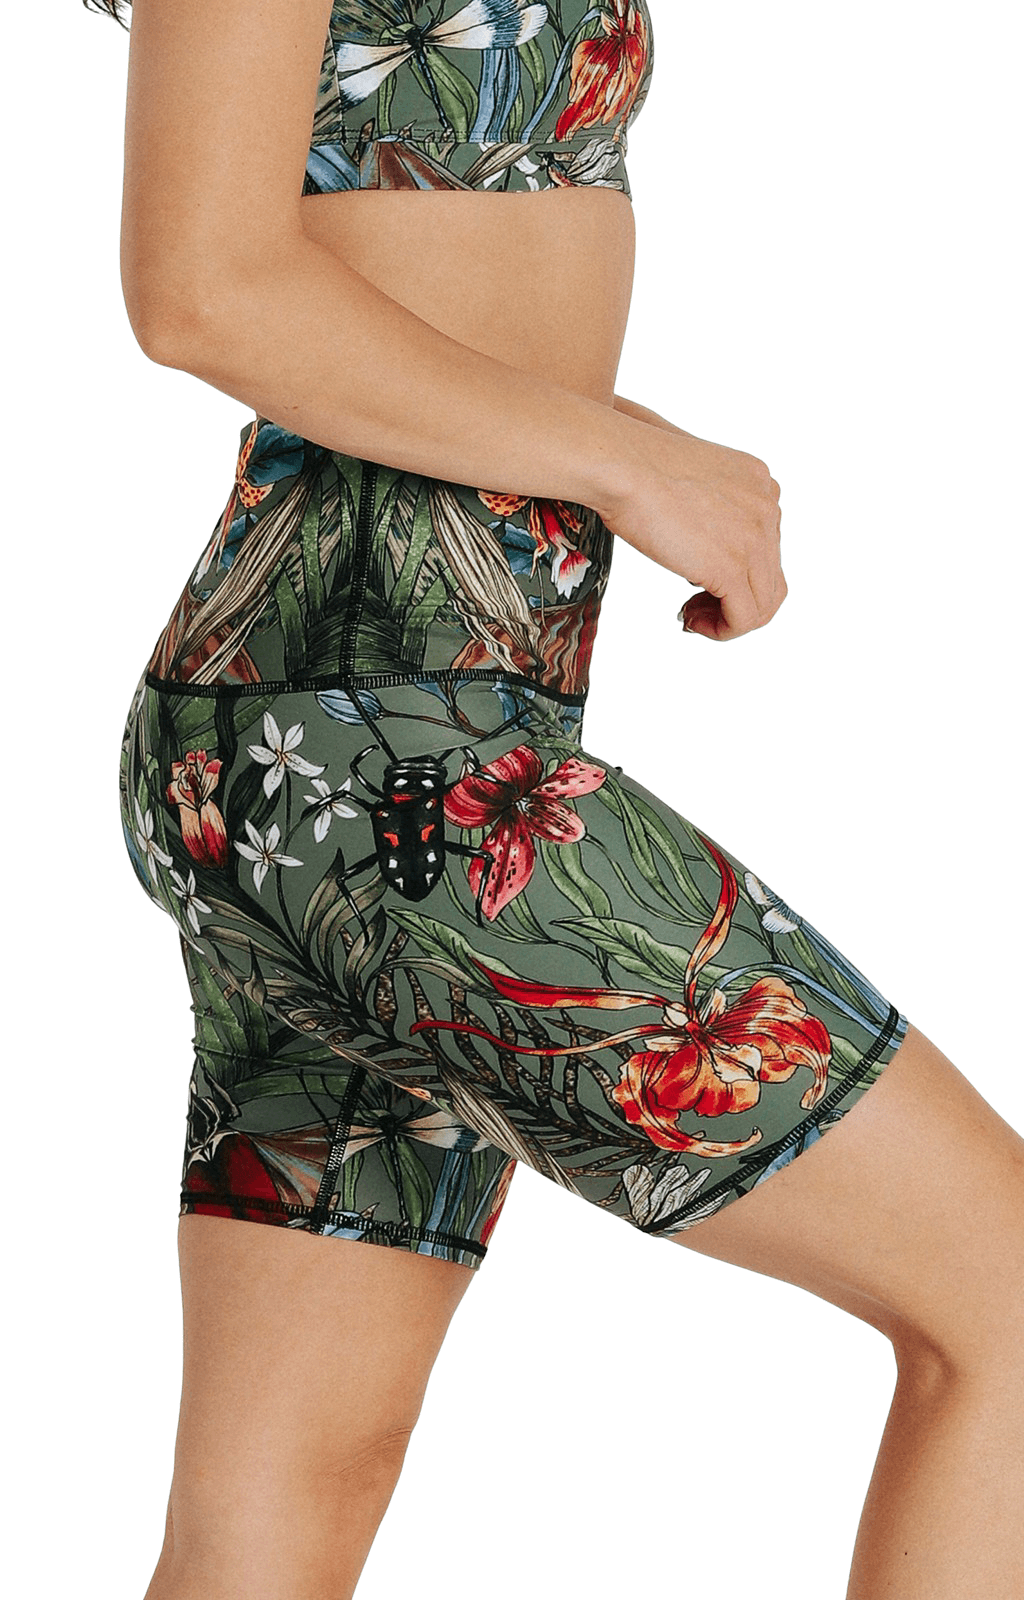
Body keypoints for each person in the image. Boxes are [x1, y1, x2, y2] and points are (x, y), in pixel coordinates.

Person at [88, 0, 1022, 1595]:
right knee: (1001, 1296)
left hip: (353, 746)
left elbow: (423, 259)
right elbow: (202, 283)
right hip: (379, 753)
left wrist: (622, 440)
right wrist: (625, 461)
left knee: (289, 1496)